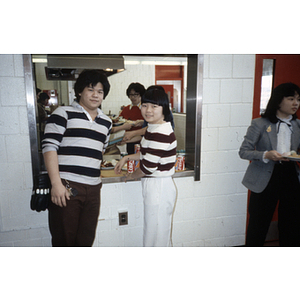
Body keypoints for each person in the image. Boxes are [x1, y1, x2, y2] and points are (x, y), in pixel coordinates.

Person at [42, 70, 112, 247]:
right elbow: (49, 148)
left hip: (94, 187)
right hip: (67, 185)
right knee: (64, 240)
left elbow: (99, 152)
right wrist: (56, 183)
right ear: (80, 91)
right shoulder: (63, 113)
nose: (95, 95)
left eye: (100, 91)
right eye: (90, 89)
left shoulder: (106, 122)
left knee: (86, 240)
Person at [114, 87, 177, 246]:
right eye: (145, 105)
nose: (148, 110)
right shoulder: (152, 127)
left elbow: (147, 167)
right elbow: (145, 154)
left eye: (154, 106)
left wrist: (131, 175)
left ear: (164, 108)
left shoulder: (161, 132)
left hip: (159, 186)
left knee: (155, 235)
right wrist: (127, 158)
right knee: (155, 232)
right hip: (155, 185)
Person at [239, 82, 300, 246]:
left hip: (290, 174)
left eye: (298, 100)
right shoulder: (259, 123)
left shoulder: (297, 125)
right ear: (279, 100)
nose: (296, 103)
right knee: (259, 223)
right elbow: (244, 151)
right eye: (291, 98)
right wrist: (266, 154)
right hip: (265, 175)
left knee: (291, 222)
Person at [115, 82, 146, 154]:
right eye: (131, 95)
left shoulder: (145, 109)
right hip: (129, 141)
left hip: (143, 141)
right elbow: (119, 121)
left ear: (141, 95)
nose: (133, 97)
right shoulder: (126, 109)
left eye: (136, 94)